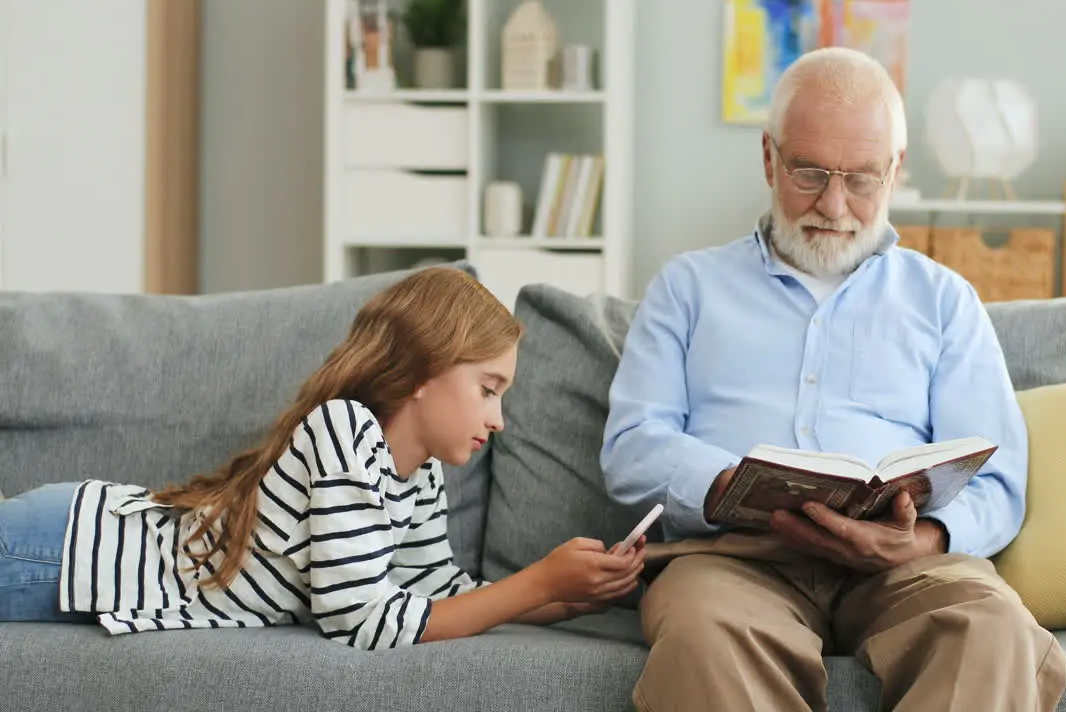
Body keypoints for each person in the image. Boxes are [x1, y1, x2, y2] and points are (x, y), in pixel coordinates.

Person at [600, 48, 1066, 711]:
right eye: (810, 172)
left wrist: (924, 539)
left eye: (862, 178)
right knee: (703, 637)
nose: (835, 204)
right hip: (736, 559)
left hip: (903, 566)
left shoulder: (944, 300)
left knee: (994, 630)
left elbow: (999, 477)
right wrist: (734, 486)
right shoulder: (688, 288)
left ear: (895, 172)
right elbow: (632, 445)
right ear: (769, 158)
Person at [0, 266, 646, 649]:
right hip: (63, 548)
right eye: (488, 389)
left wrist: (571, 596)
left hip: (71, 553)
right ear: (425, 371)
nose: (498, 419)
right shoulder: (344, 430)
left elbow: (436, 593)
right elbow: (361, 620)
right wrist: (538, 583)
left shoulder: (418, 473)